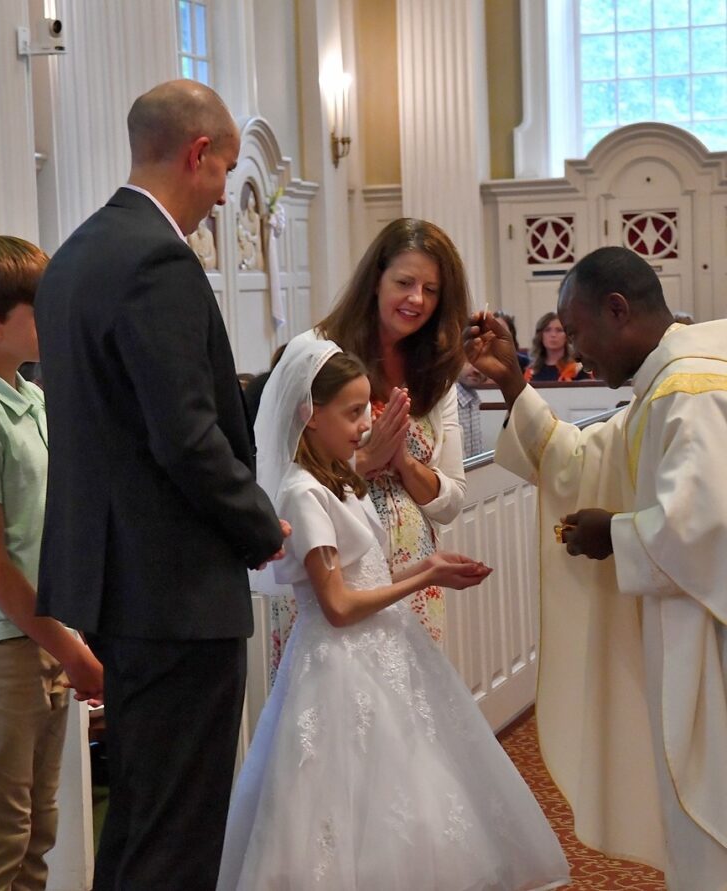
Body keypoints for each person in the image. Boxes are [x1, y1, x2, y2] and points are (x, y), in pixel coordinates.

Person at [34, 80, 287, 890]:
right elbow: (184, 435)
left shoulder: (75, 254)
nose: (223, 197)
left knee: (142, 815)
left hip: (117, 585)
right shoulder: (158, 260)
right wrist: (260, 525)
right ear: (197, 153)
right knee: (179, 827)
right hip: (174, 589)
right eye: (225, 173)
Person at [216, 335, 570, 891]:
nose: (365, 426)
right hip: (339, 665)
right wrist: (424, 577)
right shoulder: (303, 493)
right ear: (309, 416)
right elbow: (335, 606)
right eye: (353, 412)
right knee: (346, 808)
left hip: (382, 653)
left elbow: (367, 577)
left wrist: (426, 564)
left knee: (408, 799)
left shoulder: (339, 478)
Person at [466, 245, 727, 890]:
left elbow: (703, 527)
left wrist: (614, 533)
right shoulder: (663, 385)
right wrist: (510, 385)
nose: (578, 347)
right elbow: (582, 460)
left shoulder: (691, 390)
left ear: (618, 310)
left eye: (578, 331)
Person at [0, 236, 103, 890]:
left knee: (37, 832)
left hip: (42, 631)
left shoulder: (31, 398)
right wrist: (67, 647)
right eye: (40, 308)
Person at [318, 218, 469, 643]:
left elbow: (450, 501)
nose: (416, 299)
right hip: (340, 572)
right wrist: (366, 461)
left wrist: (402, 462)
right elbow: (289, 484)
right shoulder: (319, 354)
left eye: (432, 289)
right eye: (404, 282)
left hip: (413, 576)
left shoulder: (436, 373)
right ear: (375, 280)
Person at [523, 310, 589, 382]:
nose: (553, 335)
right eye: (547, 330)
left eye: (559, 330)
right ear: (540, 335)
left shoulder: (578, 369)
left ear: (567, 335)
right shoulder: (531, 371)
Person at [456, 358, 486, 458]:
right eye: (470, 361)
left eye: (482, 364)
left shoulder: (474, 399)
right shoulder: (443, 400)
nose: (476, 370)